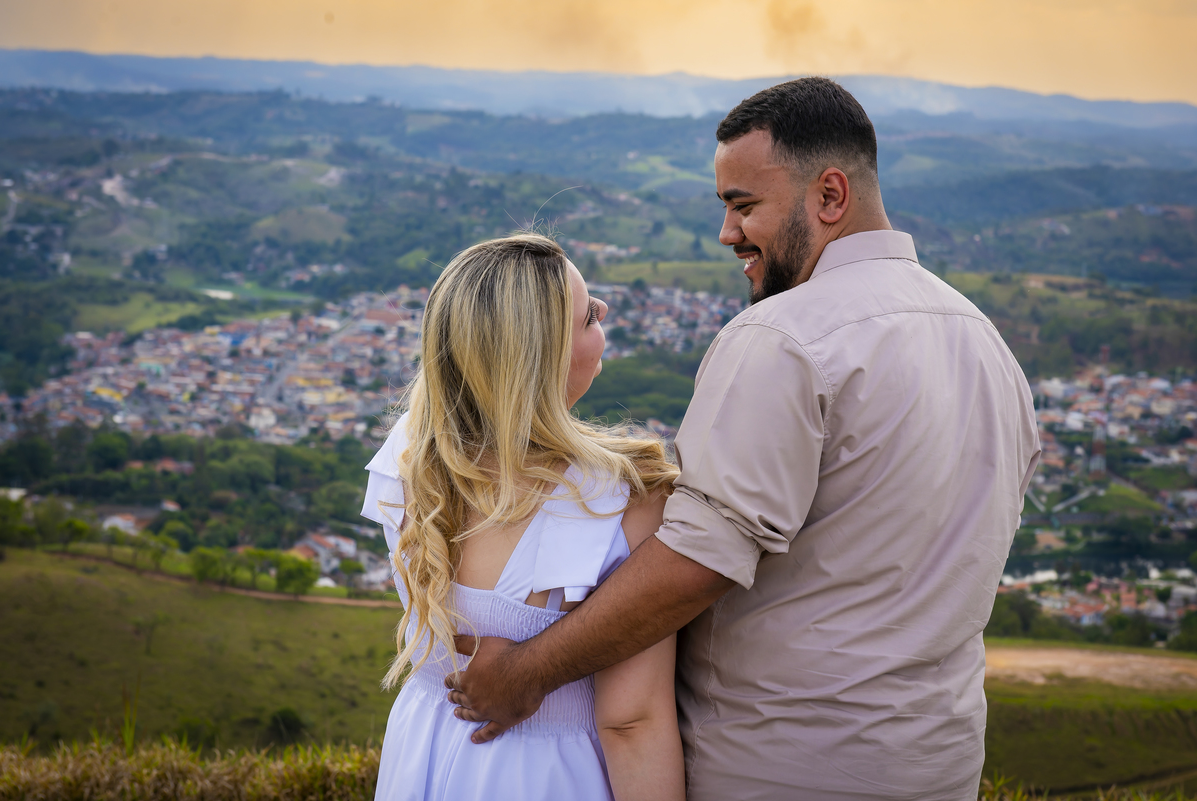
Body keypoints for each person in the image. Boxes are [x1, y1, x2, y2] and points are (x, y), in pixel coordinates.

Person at [445, 78, 1042, 800]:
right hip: (938, 763)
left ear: (829, 196)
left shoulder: (783, 338)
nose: (727, 234)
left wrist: (525, 672)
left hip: (780, 764)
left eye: (743, 206)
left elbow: (695, 561)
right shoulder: (986, 343)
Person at [360, 234, 685, 801]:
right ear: (544, 362)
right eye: (588, 316)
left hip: (422, 750)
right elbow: (631, 721)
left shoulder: (412, 459)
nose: (604, 310)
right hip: (550, 777)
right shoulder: (624, 500)